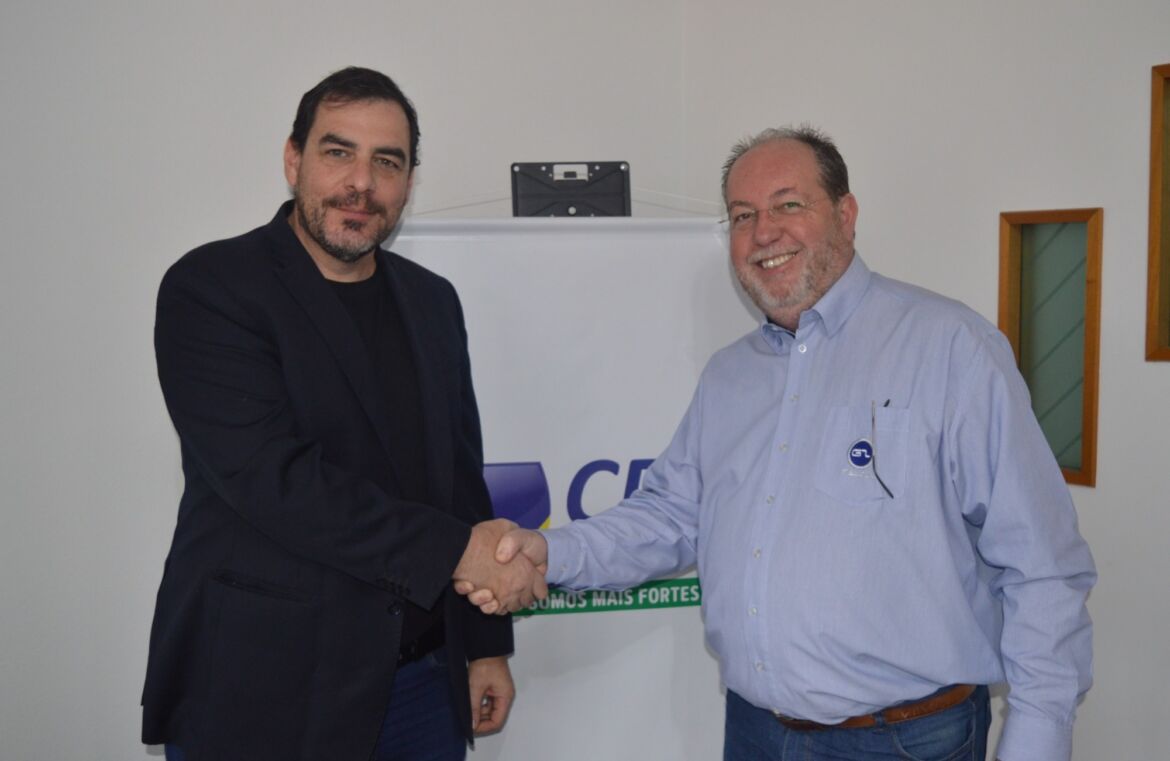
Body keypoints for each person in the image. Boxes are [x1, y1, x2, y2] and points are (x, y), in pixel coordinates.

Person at [460, 127, 1096, 761]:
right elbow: (669, 518)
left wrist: (1036, 743)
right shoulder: (728, 377)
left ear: (845, 214)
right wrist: (547, 551)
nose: (764, 232)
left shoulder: (951, 347)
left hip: (905, 741)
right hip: (756, 732)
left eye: (788, 204)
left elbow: (1042, 564)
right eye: (743, 216)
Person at [141, 67, 543, 761]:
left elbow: (458, 477)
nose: (362, 182)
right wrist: (457, 552)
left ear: (408, 182)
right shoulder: (211, 289)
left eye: (387, 162)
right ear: (293, 159)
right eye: (338, 152)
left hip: (422, 688)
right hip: (265, 693)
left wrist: (484, 645)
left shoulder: (432, 301)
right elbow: (276, 481)